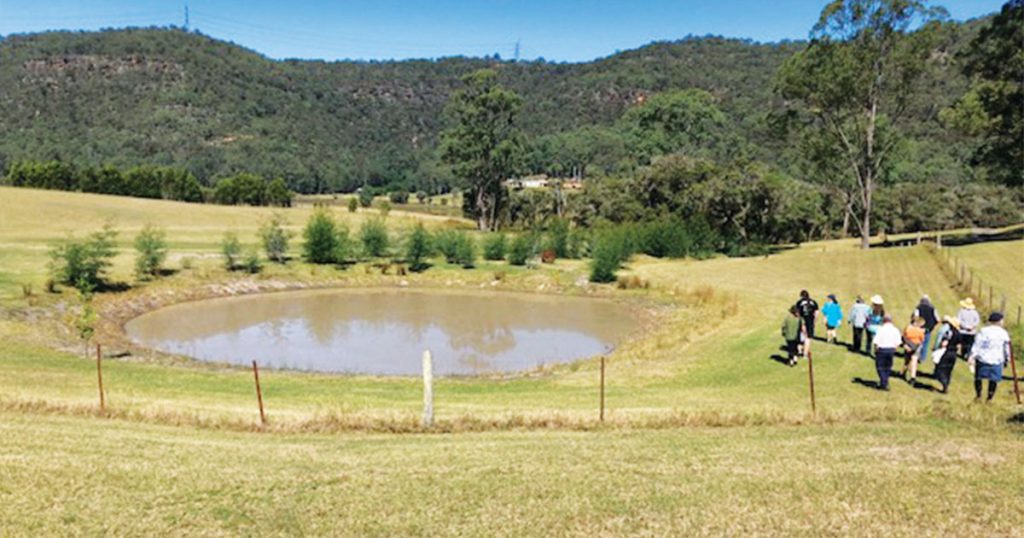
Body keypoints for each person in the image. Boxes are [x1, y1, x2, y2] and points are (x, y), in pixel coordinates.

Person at [969, 312, 1012, 402]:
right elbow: (1006, 347)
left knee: (978, 378)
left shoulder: (983, 331)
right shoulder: (1003, 333)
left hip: (983, 358)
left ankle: (978, 395)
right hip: (997, 359)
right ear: (999, 321)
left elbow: (977, 344)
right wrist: (1007, 358)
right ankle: (990, 397)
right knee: (993, 380)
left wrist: (973, 355)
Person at [932, 316, 962, 394]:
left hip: (947, 352)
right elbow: (959, 346)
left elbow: (944, 343)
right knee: (949, 370)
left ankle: (943, 382)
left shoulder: (949, 332)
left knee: (941, 369)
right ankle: (946, 386)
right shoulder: (959, 334)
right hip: (954, 353)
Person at [873, 315, 902, 391]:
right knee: (888, 366)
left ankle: (884, 382)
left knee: (880, 367)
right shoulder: (895, 330)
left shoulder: (880, 329)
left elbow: (876, 341)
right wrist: (895, 348)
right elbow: (898, 342)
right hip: (891, 350)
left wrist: (876, 349)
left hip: (882, 349)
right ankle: (885, 381)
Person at [912, 295, 939, 364]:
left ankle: (915, 355)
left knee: (917, 342)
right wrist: (933, 326)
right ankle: (922, 358)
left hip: (919, 328)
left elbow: (915, 317)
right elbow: (937, 319)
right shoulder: (933, 308)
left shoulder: (918, 308)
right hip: (928, 329)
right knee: (925, 344)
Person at [901, 316, 925, 383]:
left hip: (908, 345)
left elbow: (903, 337)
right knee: (914, 361)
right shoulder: (920, 331)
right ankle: (912, 377)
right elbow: (922, 340)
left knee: (907, 360)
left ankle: (903, 373)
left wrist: (905, 345)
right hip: (916, 347)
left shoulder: (907, 328)